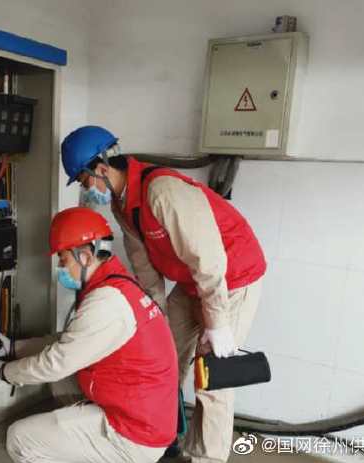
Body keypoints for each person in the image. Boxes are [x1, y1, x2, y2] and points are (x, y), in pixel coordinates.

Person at [60, 126, 267, 463]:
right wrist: (154, 316)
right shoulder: (122, 204)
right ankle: (162, 438)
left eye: (84, 181)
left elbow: (209, 260)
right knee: (163, 357)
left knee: (212, 375)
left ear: (100, 168)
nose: (86, 191)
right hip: (192, 282)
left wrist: (217, 324)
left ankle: (206, 458)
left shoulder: (162, 191)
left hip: (230, 279)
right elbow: (144, 265)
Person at [0, 206, 179, 463]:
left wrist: (5, 372)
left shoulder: (107, 302)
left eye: (63, 260)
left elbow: (55, 363)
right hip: (141, 411)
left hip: (134, 434)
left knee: (20, 438)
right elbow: (68, 343)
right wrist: (11, 347)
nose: (61, 268)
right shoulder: (116, 283)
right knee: (63, 378)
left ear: (85, 257)